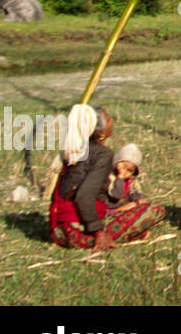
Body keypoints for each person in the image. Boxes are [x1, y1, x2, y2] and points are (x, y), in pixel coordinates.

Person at [48, 104, 164, 249]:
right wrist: (99, 232)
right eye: (108, 119)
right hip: (78, 229)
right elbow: (84, 196)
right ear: (100, 132)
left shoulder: (71, 149)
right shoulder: (102, 154)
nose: (111, 120)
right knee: (156, 209)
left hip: (58, 230)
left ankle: (81, 237)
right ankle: (97, 238)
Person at [106, 143, 145, 208]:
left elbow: (134, 192)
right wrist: (120, 177)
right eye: (123, 167)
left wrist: (138, 199)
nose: (125, 172)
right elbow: (116, 195)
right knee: (132, 206)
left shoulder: (130, 180)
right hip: (110, 206)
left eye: (130, 170)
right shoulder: (110, 177)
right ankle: (115, 212)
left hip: (124, 204)